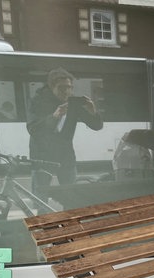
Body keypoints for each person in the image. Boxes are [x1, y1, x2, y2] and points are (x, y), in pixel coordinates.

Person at [26, 67, 103, 195]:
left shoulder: (73, 103)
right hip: (42, 156)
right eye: (62, 88)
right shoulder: (37, 101)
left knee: (71, 195)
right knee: (40, 197)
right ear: (51, 87)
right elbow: (33, 128)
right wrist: (54, 116)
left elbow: (97, 126)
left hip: (65, 156)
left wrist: (93, 111)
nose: (67, 91)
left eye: (70, 87)